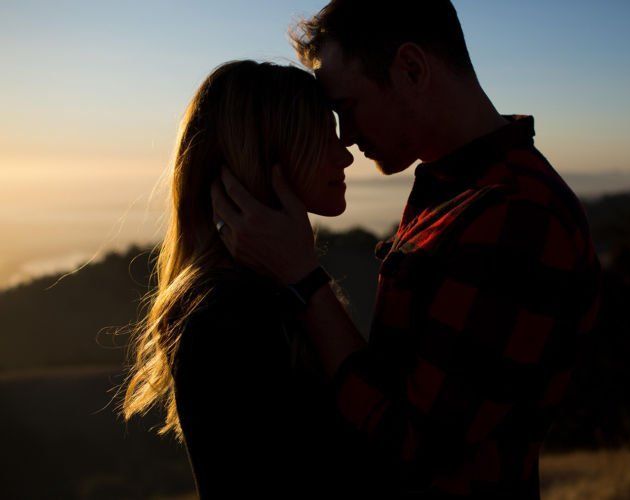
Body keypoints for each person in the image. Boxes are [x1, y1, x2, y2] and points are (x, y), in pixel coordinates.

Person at [211, 0, 602, 497]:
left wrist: (304, 278)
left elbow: (416, 447)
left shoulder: (516, 215)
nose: (346, 138)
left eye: (347, 109)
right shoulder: (454, 189)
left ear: (412, 69)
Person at [119, 60, 376, 497]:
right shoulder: (228, 312)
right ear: (264, 152)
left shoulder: (264, 289)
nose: (345, 153)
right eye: (321, 135)